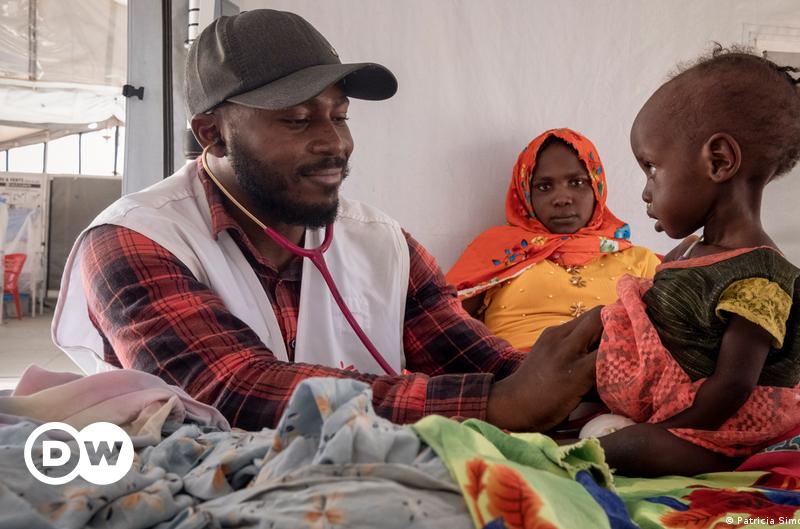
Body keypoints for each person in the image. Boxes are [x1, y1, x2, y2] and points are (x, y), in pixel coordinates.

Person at [51, 9, 601, 433]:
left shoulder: (384, 244)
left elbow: (482, 359)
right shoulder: (135, 240)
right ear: (212, 134)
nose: (334, 143)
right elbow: (229, 392)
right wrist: (496, 404)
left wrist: (597, 378)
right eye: (297, 120)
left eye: (339, 115)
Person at [590, 46, 800, 476]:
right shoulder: (689, 250)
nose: (647, 191)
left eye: (652, 168)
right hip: (670, 399)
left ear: (718, 161)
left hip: (720, 424)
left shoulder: (760, 275)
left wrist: (669, 428)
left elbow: (733, 386)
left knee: (630, 447)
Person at [446, 128, 660, 351]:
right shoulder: (497, 251)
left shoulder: (640, 261)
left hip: (618, 378)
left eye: (577, 183)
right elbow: (440, 328)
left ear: (597, 186)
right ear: (526, 193)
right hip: (518, 380)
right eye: (544, 187)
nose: (562, 198)